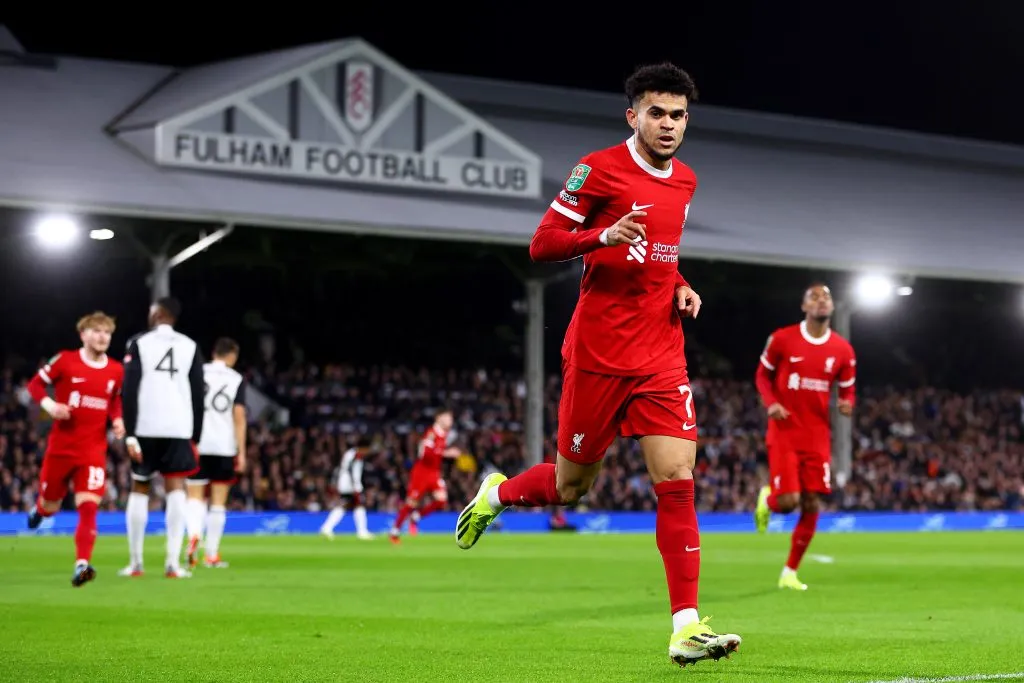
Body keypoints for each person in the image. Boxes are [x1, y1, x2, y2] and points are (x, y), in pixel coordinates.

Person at [453, 62, 741, 667]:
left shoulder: (685, 180)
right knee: (571, 487)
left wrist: (680, 284)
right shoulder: (598, 169)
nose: (669, 124)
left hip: (660, 354)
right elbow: (542, 243)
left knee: (677, 479)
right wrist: (601, 237)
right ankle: (497, 495)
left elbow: (661, 254)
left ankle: (685, 627)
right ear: (632, 115)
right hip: (599, 355)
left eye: (679, 115)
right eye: (657, 113)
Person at [754, 283, 857, 590]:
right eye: (814, 297)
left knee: (812, 502)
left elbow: (848, 387)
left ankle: (789, 573)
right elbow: (762, 375)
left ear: (832, 306)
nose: (821, 301)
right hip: (785, 431)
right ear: (804, 306)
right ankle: (768, 499)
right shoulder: (783, 339)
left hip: (817, 435)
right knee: (788, 502)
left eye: (826, 297)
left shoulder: (843, 350)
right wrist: (771, 403)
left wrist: (847, 402)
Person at [26, 312, 125, 587]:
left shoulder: (116, 370)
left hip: (93, 451)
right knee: (51, 505)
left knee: (89, 506)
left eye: (107, 332)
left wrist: (117, 419)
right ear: (83, 335)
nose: (102, 336)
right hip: (61, 449)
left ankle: (82, 564)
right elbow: (35, 385)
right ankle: (40, 511)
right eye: (97, 331)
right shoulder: (65, 360)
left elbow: (115, 400)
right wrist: (51, 406)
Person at [119, 297, 205, 579]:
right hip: (179, 428)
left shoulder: (139, 343)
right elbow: (197, 394)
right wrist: (196, 435)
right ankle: (172, 564)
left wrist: (130, 432)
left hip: (145, 425)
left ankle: (136, 563)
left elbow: (129, 389)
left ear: (157, 314)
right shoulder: (190, 346)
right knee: (176, 488)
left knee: (139, 486)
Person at [184, 337, 247, 569]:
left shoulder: (197, 372)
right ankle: (211, 554)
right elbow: (238, 417)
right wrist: (242, 452)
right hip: (224, 446)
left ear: (214, 353)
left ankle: (193, 535)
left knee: (194, 496)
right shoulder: (236, 379)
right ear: (233, 356)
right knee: (218, 501)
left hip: (197, 444)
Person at [389, 408, 461, 544]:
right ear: (438, 418)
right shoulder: (431, 433)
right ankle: (395, 531)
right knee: (411, 503)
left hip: (434, 473)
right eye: (447, 418)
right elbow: (425, 453)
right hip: (422, 472)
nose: (450, 421)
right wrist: (446, 453)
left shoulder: (443, 434)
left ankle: (415, 517)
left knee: (441, 500)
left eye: (451, 419)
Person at [320, 438, 375, 541]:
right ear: (363, 448)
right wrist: (356, 486)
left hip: (346, 484)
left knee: (347, 506)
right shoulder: (356, 455)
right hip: (350, 485)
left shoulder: (351, 453)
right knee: (357, 505)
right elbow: (351, 470)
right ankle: (362, 532)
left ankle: (327, 528)